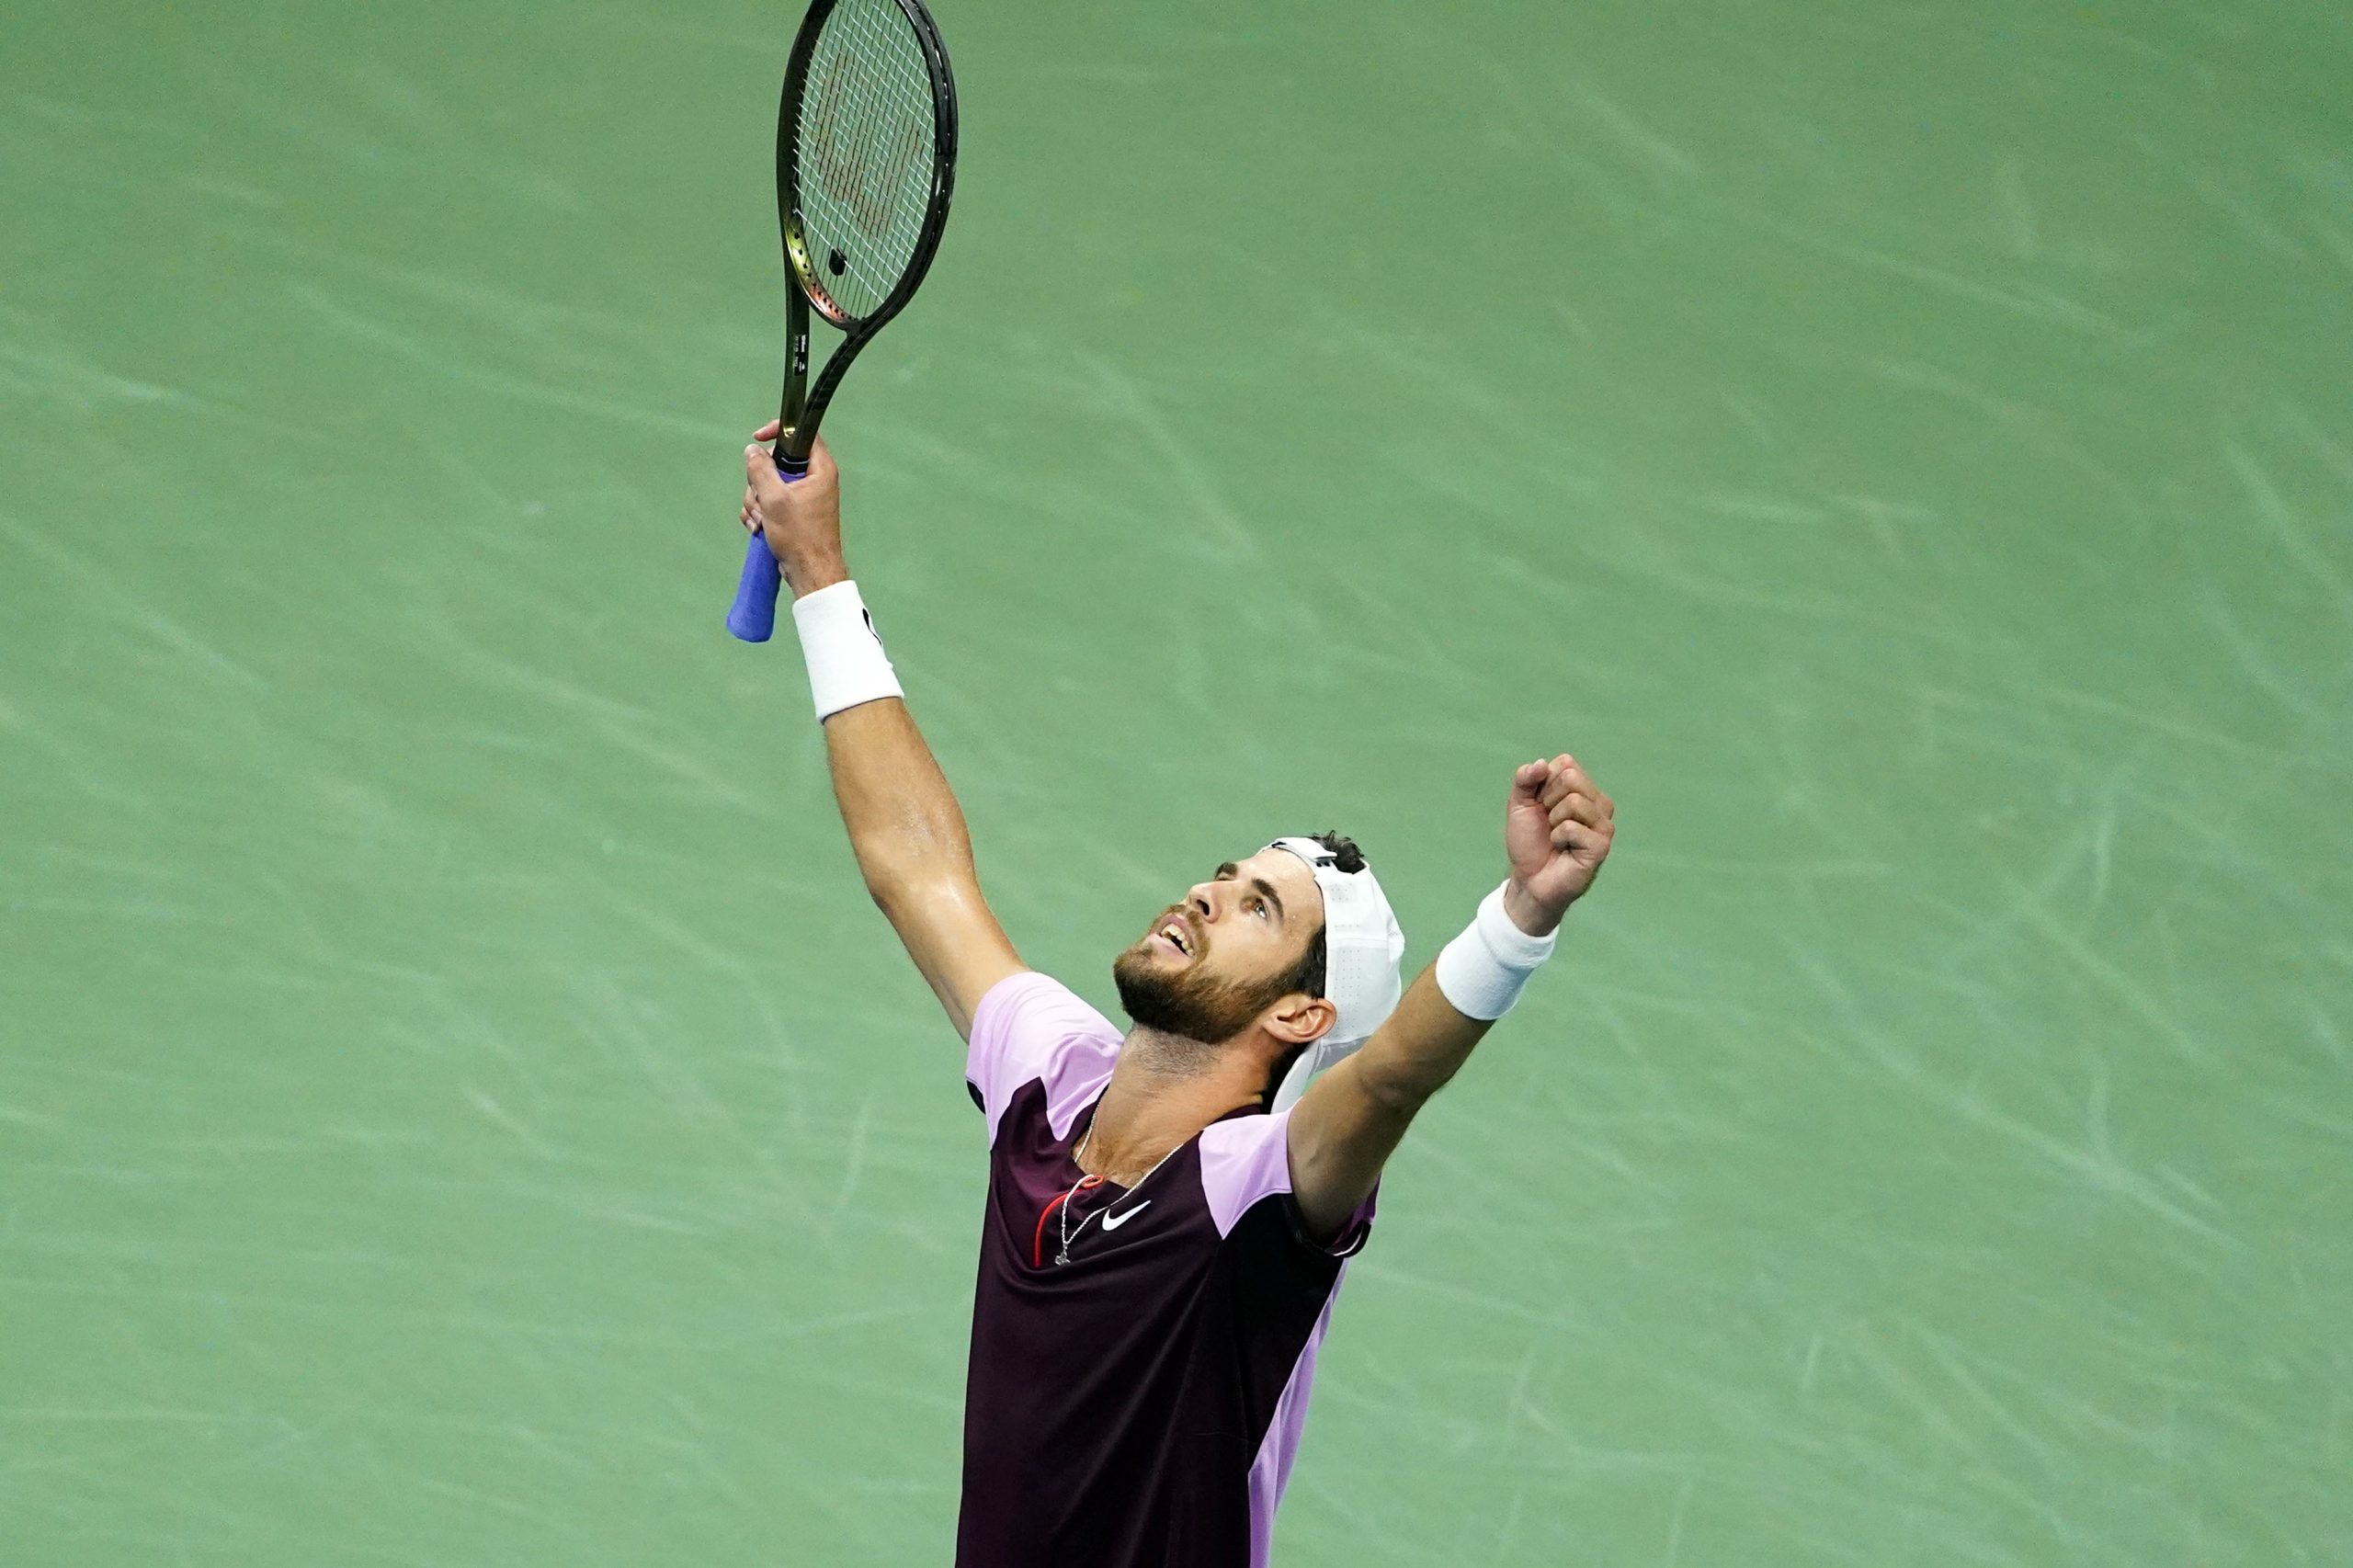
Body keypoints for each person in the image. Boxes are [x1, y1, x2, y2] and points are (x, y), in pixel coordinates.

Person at [736, 427, 1617, 1568]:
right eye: (1225, 874)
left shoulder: (1258, 1192)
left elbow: (1395, 1069)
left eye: (1257, 908)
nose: (1205, 893)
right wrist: (819, 573)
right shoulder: (1052, 1083)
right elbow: (919, 871)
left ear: (1301, 1014)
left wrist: (1521, 915)